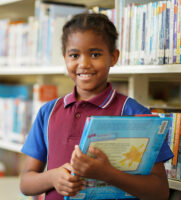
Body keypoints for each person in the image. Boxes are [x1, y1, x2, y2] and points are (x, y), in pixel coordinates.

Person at [20, 13, 173, 200]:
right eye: (74, 55)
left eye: (95, 54)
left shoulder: (136, 114)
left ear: (113, 57)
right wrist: (52, 177)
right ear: (65, 58)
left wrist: (107, 173)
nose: (84, 64)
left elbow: (160, 192)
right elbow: (26, 183)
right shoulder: (48, 112)